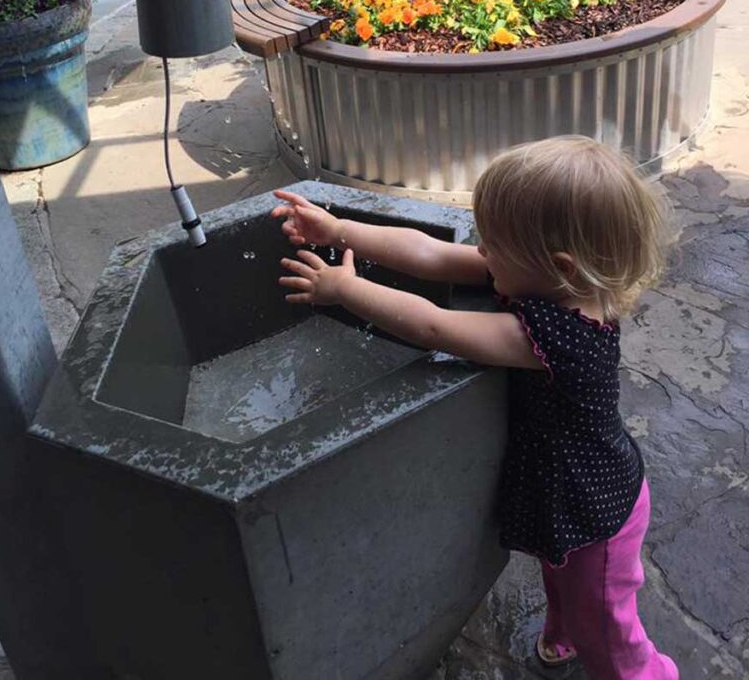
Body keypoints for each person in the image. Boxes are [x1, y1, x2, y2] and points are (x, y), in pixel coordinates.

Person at [271, 136, 678, 680]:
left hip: (595, 510)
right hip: (575, 496)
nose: (481, 251)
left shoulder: (563, 335)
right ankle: (568, 631)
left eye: (493, 245)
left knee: (611, 631)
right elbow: (430, 254)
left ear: (558, 264)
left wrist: (345, 289)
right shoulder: (553, 283)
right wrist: (337, 230)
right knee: (566, 582)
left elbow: (432, 326)